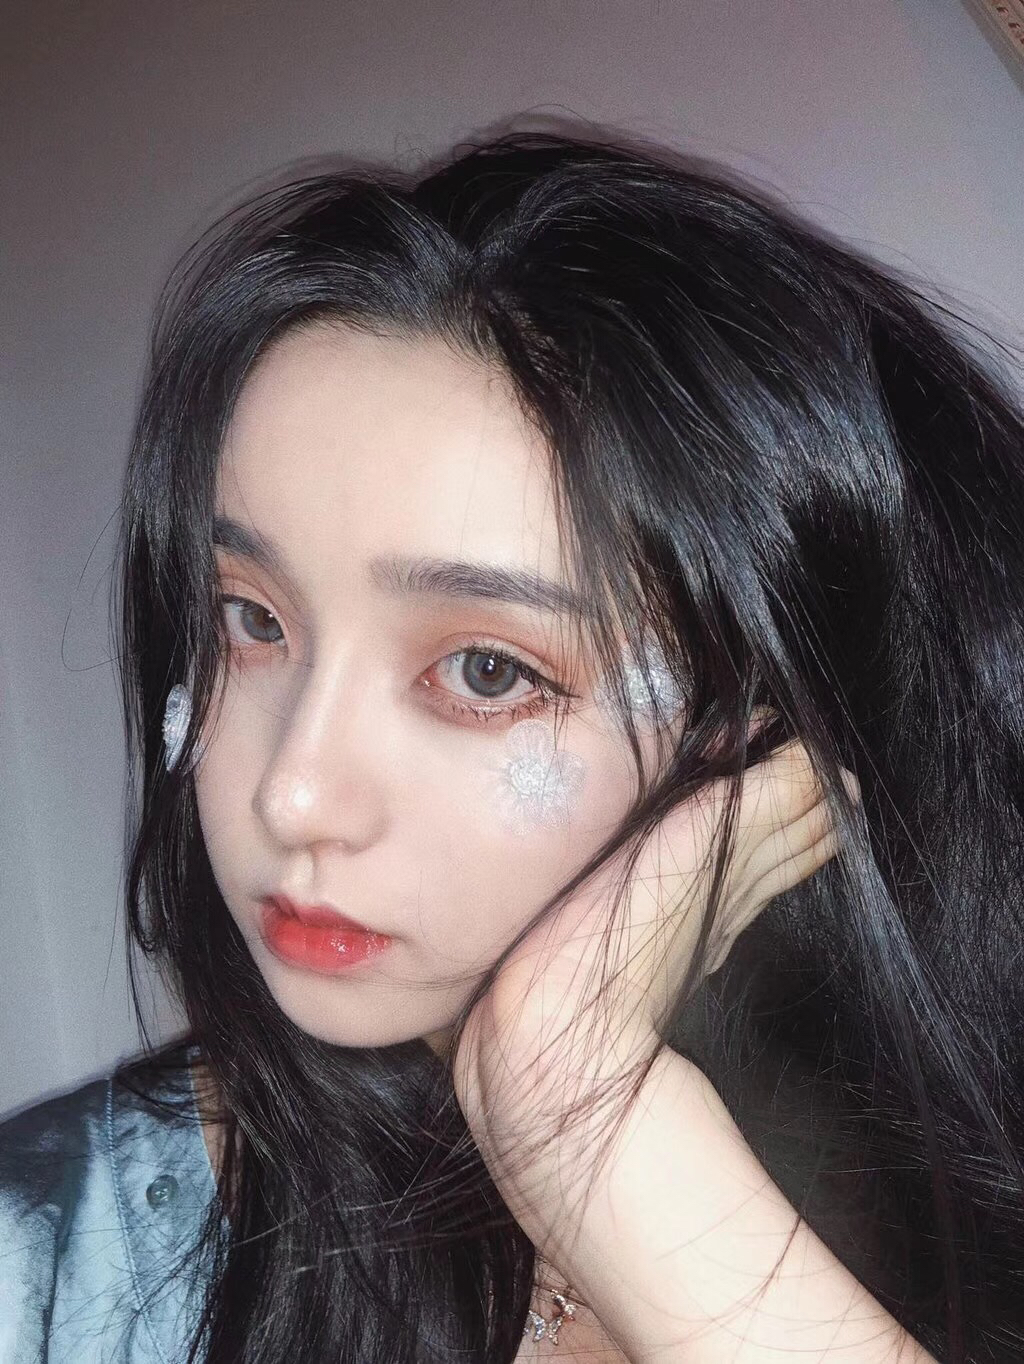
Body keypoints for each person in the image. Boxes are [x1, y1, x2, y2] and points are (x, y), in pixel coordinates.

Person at [1, 126, 1022, 1364]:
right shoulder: (45, 1267)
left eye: (486, 670)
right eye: (251, 620)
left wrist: (584, 1124)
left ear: (770, 738)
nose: (292, 792)